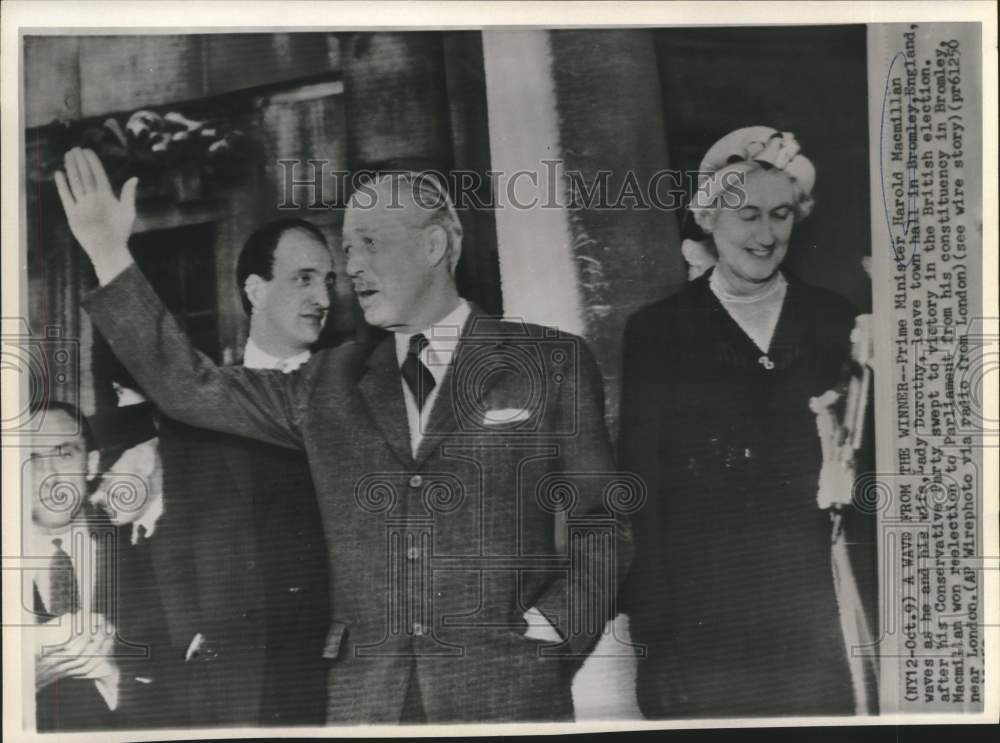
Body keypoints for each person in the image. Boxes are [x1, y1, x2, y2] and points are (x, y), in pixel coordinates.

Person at [56, 151, 633, 723]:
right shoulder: (328, 380)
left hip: (504, 691)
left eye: (370, 245)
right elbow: (188, 386)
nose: (352, 268)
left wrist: (557, 626)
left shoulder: (546, 360)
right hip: (368, 702)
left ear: (433, 247)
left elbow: (604, 521)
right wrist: (109, 251)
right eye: (349, 248)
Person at [620, 127, 875, 717]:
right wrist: (654, 632)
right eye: (748, 216)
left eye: (781, 215)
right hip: (704, 620)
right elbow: (641, 485)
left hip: (816, 608)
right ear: (709, 219)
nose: (766, 236)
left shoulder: (836, 319)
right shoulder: (658, 332)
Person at [147, 219, 332, 726]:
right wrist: (189, 634)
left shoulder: (356, 392)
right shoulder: (198, 403)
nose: (323, 297)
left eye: (329, 281)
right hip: (240, 665)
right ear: (255, 289)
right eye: (304, 278)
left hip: (341, 659)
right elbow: (176, 525)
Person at [25, 401, 119, 731]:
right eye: (31, 458)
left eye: (63, 454)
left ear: (91, 464)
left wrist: (115, 680)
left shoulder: (141, 547)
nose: (47, 475)